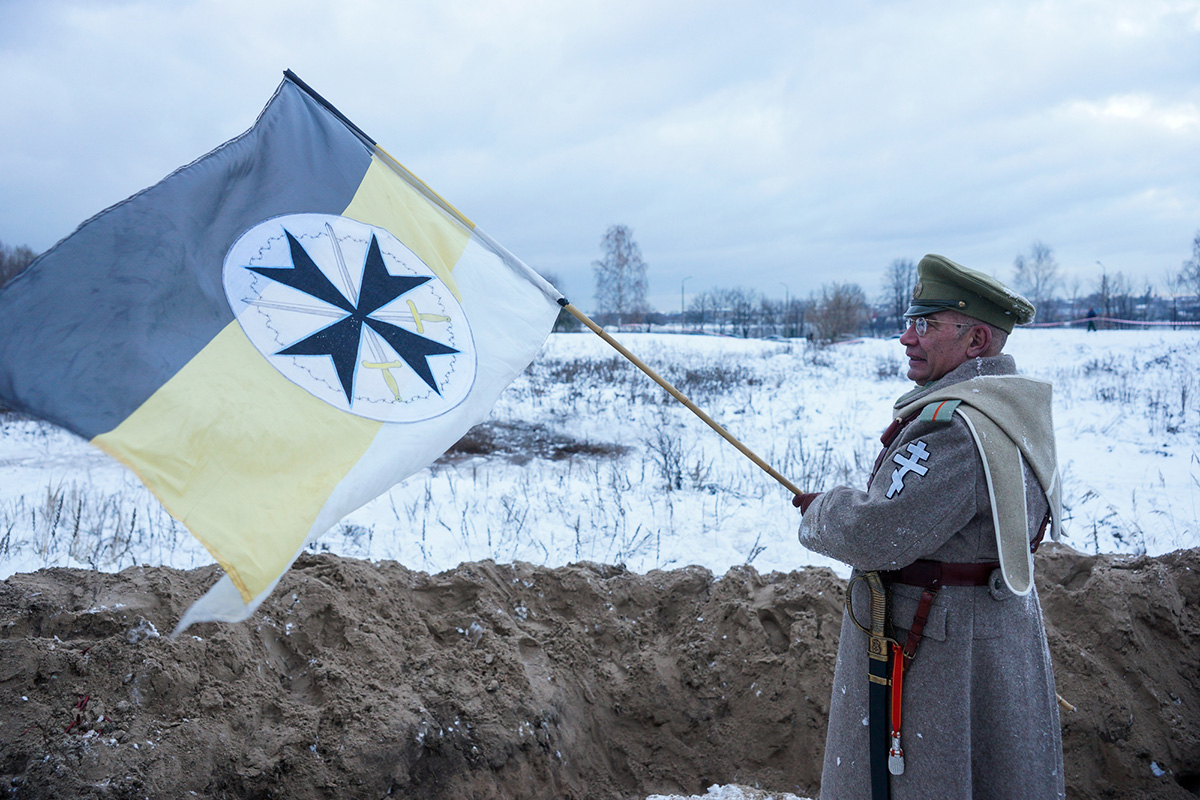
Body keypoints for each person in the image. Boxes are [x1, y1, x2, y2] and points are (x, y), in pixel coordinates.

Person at [795, 254, 1065, 800]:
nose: (905, 338)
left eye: (925, 325)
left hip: (943, 649)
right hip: (984, 638)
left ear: (976, 341)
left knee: (932, 778)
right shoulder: (1006, 409)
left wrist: (825, 511)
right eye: (910, 322)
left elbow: (878, 534)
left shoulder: (953, 430)